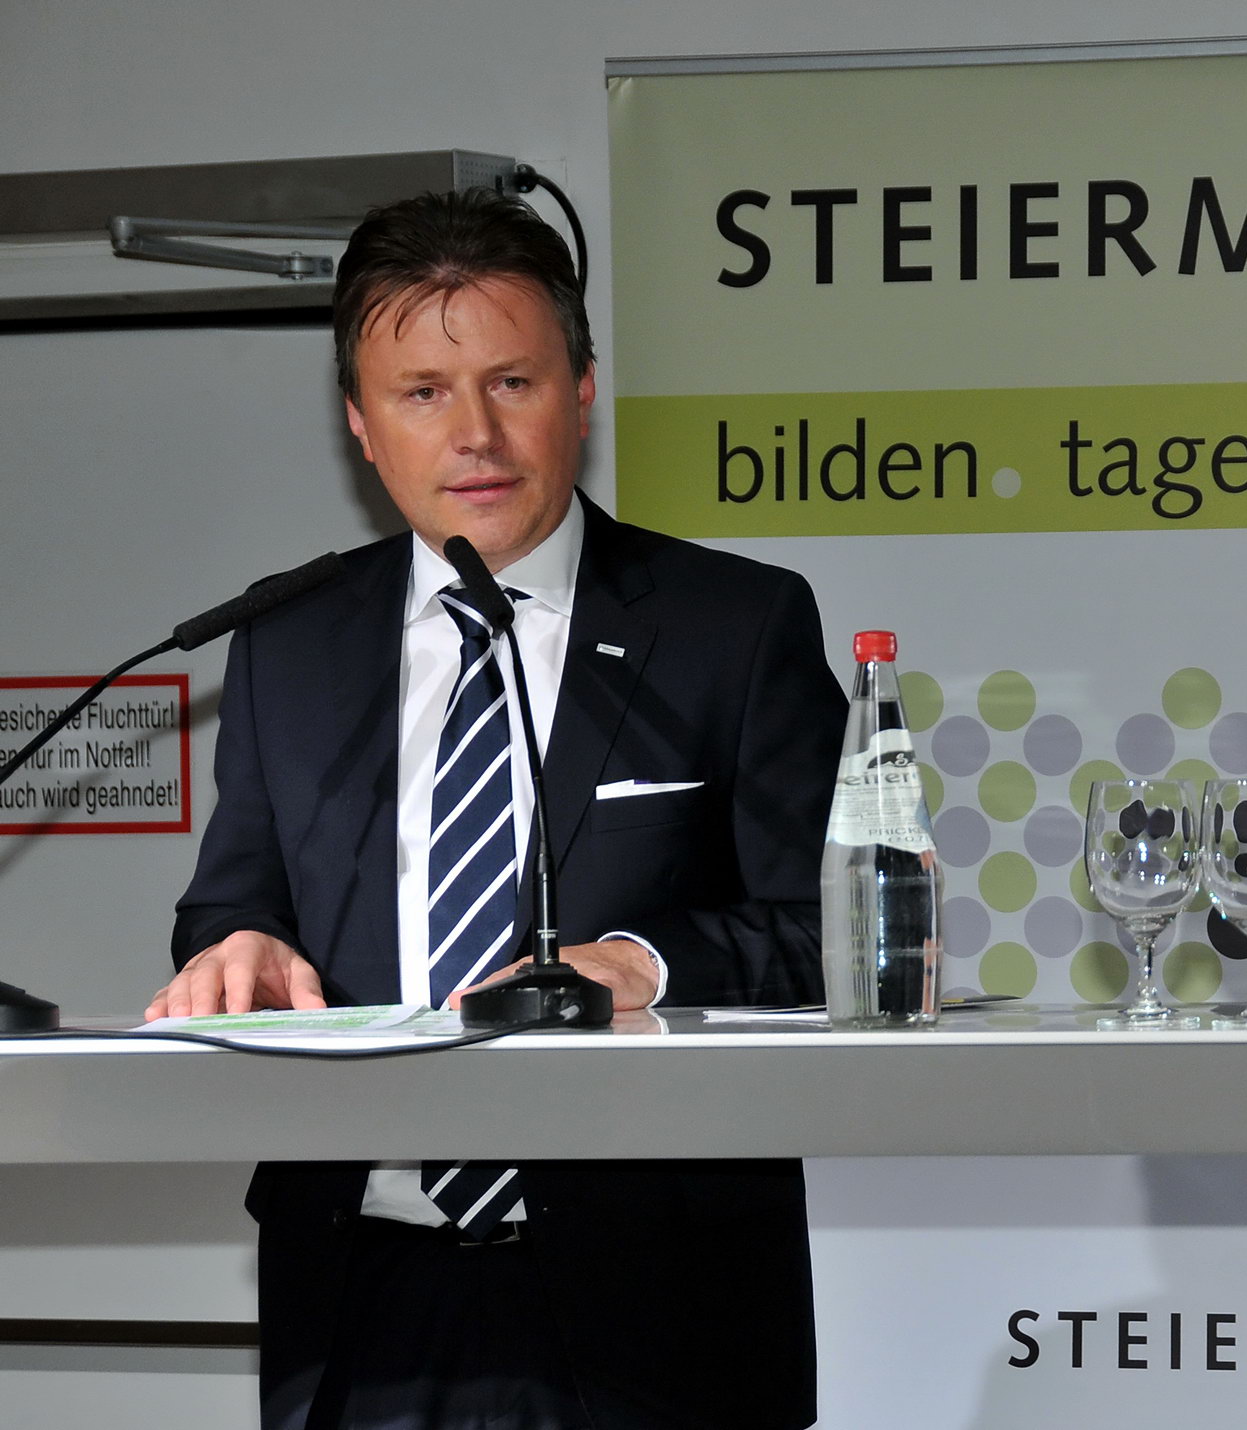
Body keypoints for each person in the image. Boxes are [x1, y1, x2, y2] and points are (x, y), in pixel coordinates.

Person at [152, 186, 845, 1429]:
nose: (473, 433)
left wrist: (642, 963)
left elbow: (835, 930)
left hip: (659, 1308)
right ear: (361, 424)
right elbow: (231, 903)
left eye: (511, 382)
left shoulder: (732, 628)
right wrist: (236, 944)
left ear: (582, 391)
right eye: (422, 392)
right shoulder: (286, 644)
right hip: (358, 1299)